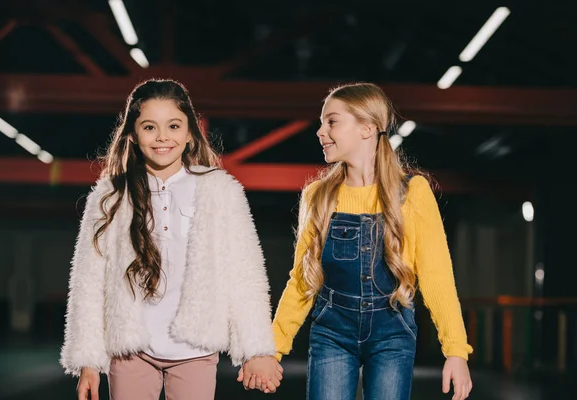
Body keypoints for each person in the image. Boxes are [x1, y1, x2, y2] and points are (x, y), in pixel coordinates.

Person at [60, 78, 282, 400]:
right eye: (150, 127)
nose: (163, 137)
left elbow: (244, 275)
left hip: (195, 348)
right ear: (133, 136)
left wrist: (256, 350)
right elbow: (88, 283)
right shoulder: (110, 197)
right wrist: (88, 361)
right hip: (130, 350)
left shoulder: (220, 190)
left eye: (174, 125)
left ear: (190, 132)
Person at [265, 82, 473, 399]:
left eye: (331, 121)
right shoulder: (318, 196)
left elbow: (437, 276)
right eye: (321, 123)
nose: (320, 131)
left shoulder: (412, 192)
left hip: (393, 333)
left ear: (367, 127)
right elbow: (302, 280)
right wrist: (272, 348)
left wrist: (456, 350)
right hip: (332, 332)